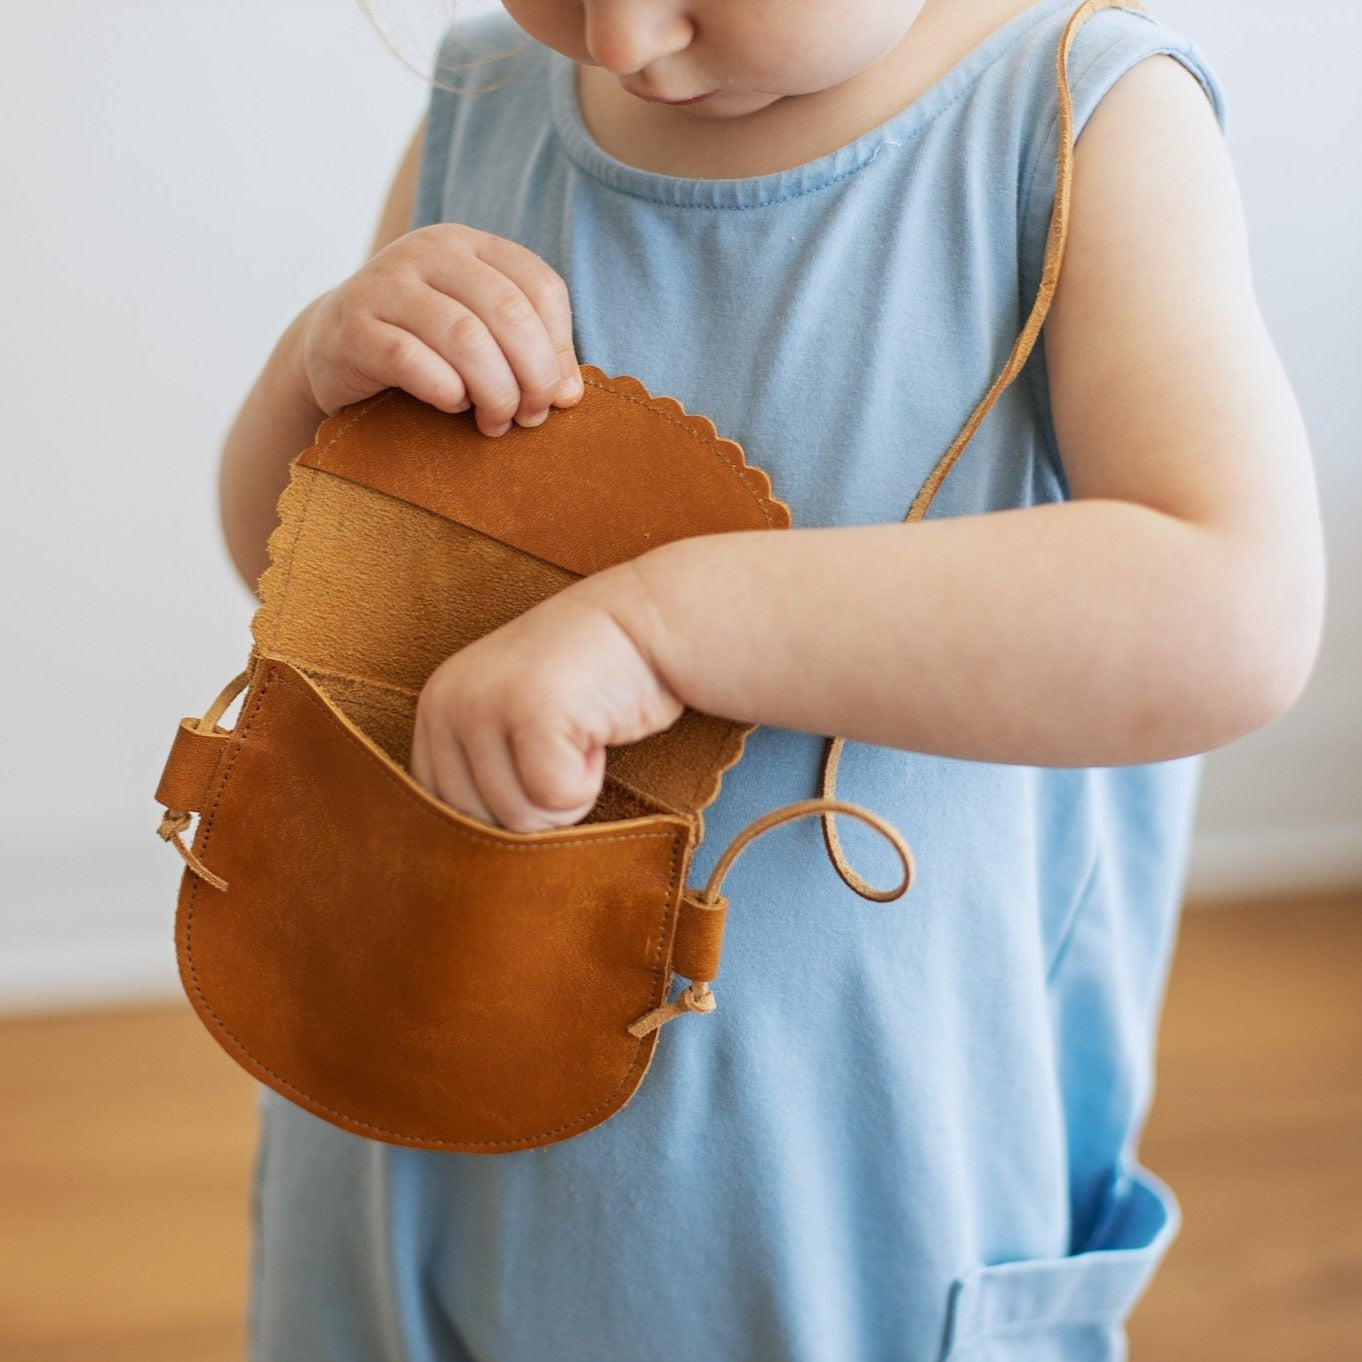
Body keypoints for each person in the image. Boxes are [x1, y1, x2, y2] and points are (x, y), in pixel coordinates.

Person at [218, 0, 1325, 1358]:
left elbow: (1230, 607)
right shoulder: (489, 103)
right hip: (410, 1122)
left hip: (824, 1218)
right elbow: (300, 581)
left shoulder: (1074, 124)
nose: (619, 41)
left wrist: (669, 626)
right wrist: (315, 370)